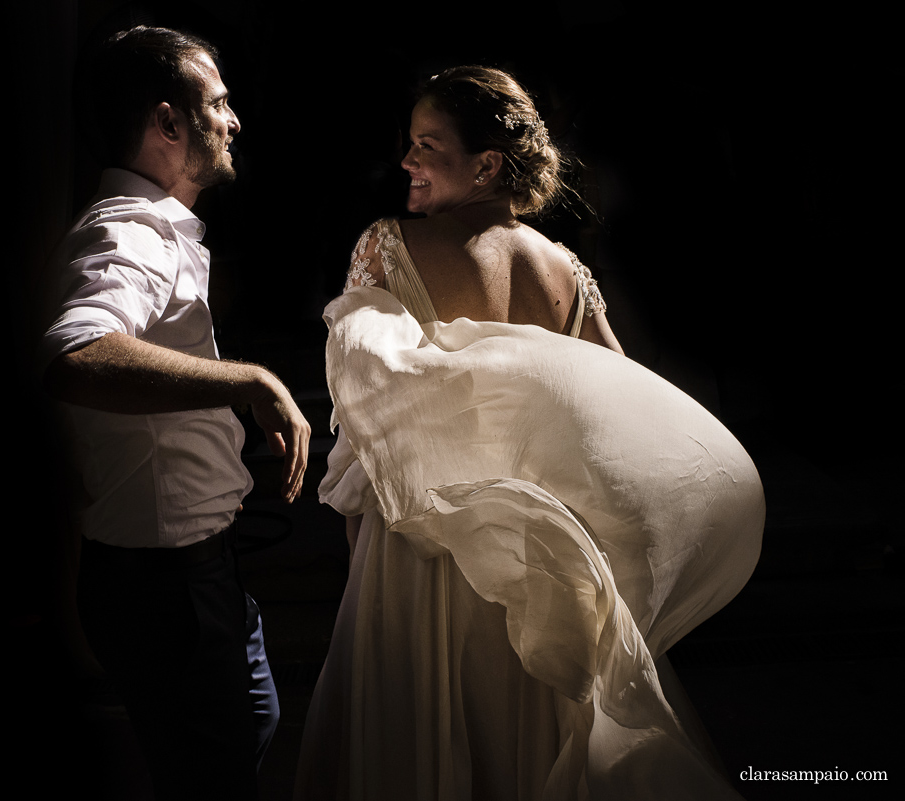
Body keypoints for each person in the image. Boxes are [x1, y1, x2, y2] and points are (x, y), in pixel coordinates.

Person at [295, 66, 763, 800]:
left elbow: (370, 423)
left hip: (427, 552)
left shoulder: (388, 245)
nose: (407, 161)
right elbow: (621, 410)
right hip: (544, 563)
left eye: (427, 145)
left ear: (485, 164)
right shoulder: (566, 270)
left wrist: (360, 558)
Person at [40, 26, 310, 800]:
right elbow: (74, 353)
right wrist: (245, 380)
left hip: (195, 576)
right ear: (167, 124)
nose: (233, 120)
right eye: (218, 103)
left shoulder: (159, 228)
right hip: (163, 591)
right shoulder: (127, 233)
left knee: (246, 728)